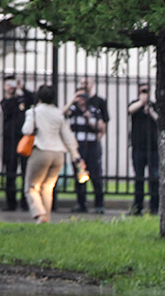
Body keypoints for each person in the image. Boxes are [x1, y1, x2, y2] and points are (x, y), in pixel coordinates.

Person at [21, 84, 86, 224]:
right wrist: (76, 155)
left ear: (39, 97)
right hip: (58, 154)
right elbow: (68, 137)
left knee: (31, 187)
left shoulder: (33, 112)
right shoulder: (58, 113)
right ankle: (47, 218)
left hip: (41, 151)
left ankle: (39, 214)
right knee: (47, 188)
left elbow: (27, 130)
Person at [63, 85, 106, 213]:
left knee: (95, 175)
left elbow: (101, 128)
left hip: (92, 145)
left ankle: (99, 205)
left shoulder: (94, 110)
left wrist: (89, 120)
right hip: (78, 147)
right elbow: (62, 114)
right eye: (78, 96)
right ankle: (81, 204)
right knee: (80, 175)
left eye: (83, 96)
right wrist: (72, 100)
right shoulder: (72, 109)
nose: (81, 99)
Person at [2, 75, 34, 211]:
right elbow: (7, 111)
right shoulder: (5, 101)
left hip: (25, 139)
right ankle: (11, 203)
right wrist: (9, 94)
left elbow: (34, 98)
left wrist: (23, 88)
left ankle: (26, 202)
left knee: (27, 172)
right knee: (10, 171)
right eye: (8, 84)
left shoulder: (23, 99)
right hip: (10, 141)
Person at [127, 83, 159, 215]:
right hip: (138, 148)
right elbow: (130, 110)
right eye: (142, 91)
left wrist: (150, 111)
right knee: (139, 178)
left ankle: (154, 207)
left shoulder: (154, 106)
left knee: (154, 178)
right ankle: (137, 207)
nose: (145, 93)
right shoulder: (136, 104)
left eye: (146, 91)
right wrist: (141, 102)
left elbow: (159, 120)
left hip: (153, 148)